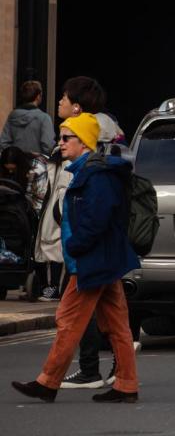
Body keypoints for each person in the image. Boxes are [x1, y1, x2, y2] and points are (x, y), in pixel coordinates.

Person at [11, 113, 140, 403]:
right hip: (102, 260)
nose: (61, 142)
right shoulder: (90, 172)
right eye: (61, 137)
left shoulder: (97, 175)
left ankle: (47, 381)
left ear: (84, 142)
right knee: (118, 325)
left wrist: (77, 247)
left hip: (92, 261)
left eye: (66, 137)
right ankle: (127, 385)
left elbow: (97, 219)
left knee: (68, 320)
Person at [35, 76, 108, 303]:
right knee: (110, 311)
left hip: (68, 250)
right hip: (68, 247)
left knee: (69, 316)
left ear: (76, 106)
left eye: (64, 97)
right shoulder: (71, 144)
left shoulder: (76, 152)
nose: (59, 101)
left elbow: (65, 201)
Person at [0, 81, 56, 156]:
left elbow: (3, 143)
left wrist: (16, 156)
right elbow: (48, 146)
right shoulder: (44, 118)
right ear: (38, 96)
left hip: (16, 164)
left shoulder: (12, 116)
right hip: (37, 165)